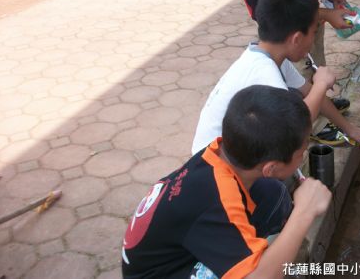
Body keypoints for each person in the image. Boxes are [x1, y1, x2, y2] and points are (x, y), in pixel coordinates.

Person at [122, 85, 331, 279]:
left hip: (173, 251)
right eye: (301, 153)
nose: (302, 158)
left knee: (272, 194)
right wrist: (304, 212)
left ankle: (254, 254)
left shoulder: (217, 153)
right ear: (270, 168)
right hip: (160, 274)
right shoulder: (216, 201)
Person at [191, 0, 360, 155]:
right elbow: (295, 128)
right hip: (214, 160)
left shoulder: (271, 56)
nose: (313, 39)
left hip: (231, 149)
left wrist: (349, 129)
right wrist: (321, 84)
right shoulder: (265, 74)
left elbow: (309, 93)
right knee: (290, 145)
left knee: (294, 98)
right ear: (296, 39)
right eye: (314, 32)